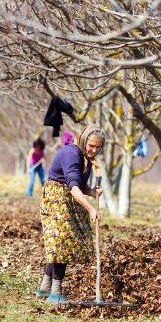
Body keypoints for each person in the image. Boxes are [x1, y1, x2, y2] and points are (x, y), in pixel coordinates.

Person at [36, 124, 105, 304]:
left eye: (98, 147)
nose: (94, 150)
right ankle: (55, 292)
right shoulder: (71, 154)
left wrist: (92, 191)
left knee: (59, 244)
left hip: (68, 198)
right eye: (91, 145)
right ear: (83, 140)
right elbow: (73, 187)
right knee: (61, 243)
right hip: (56, 199)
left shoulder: (85, 158)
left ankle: (45, 287)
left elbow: (79, 185)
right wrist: (91, 208)